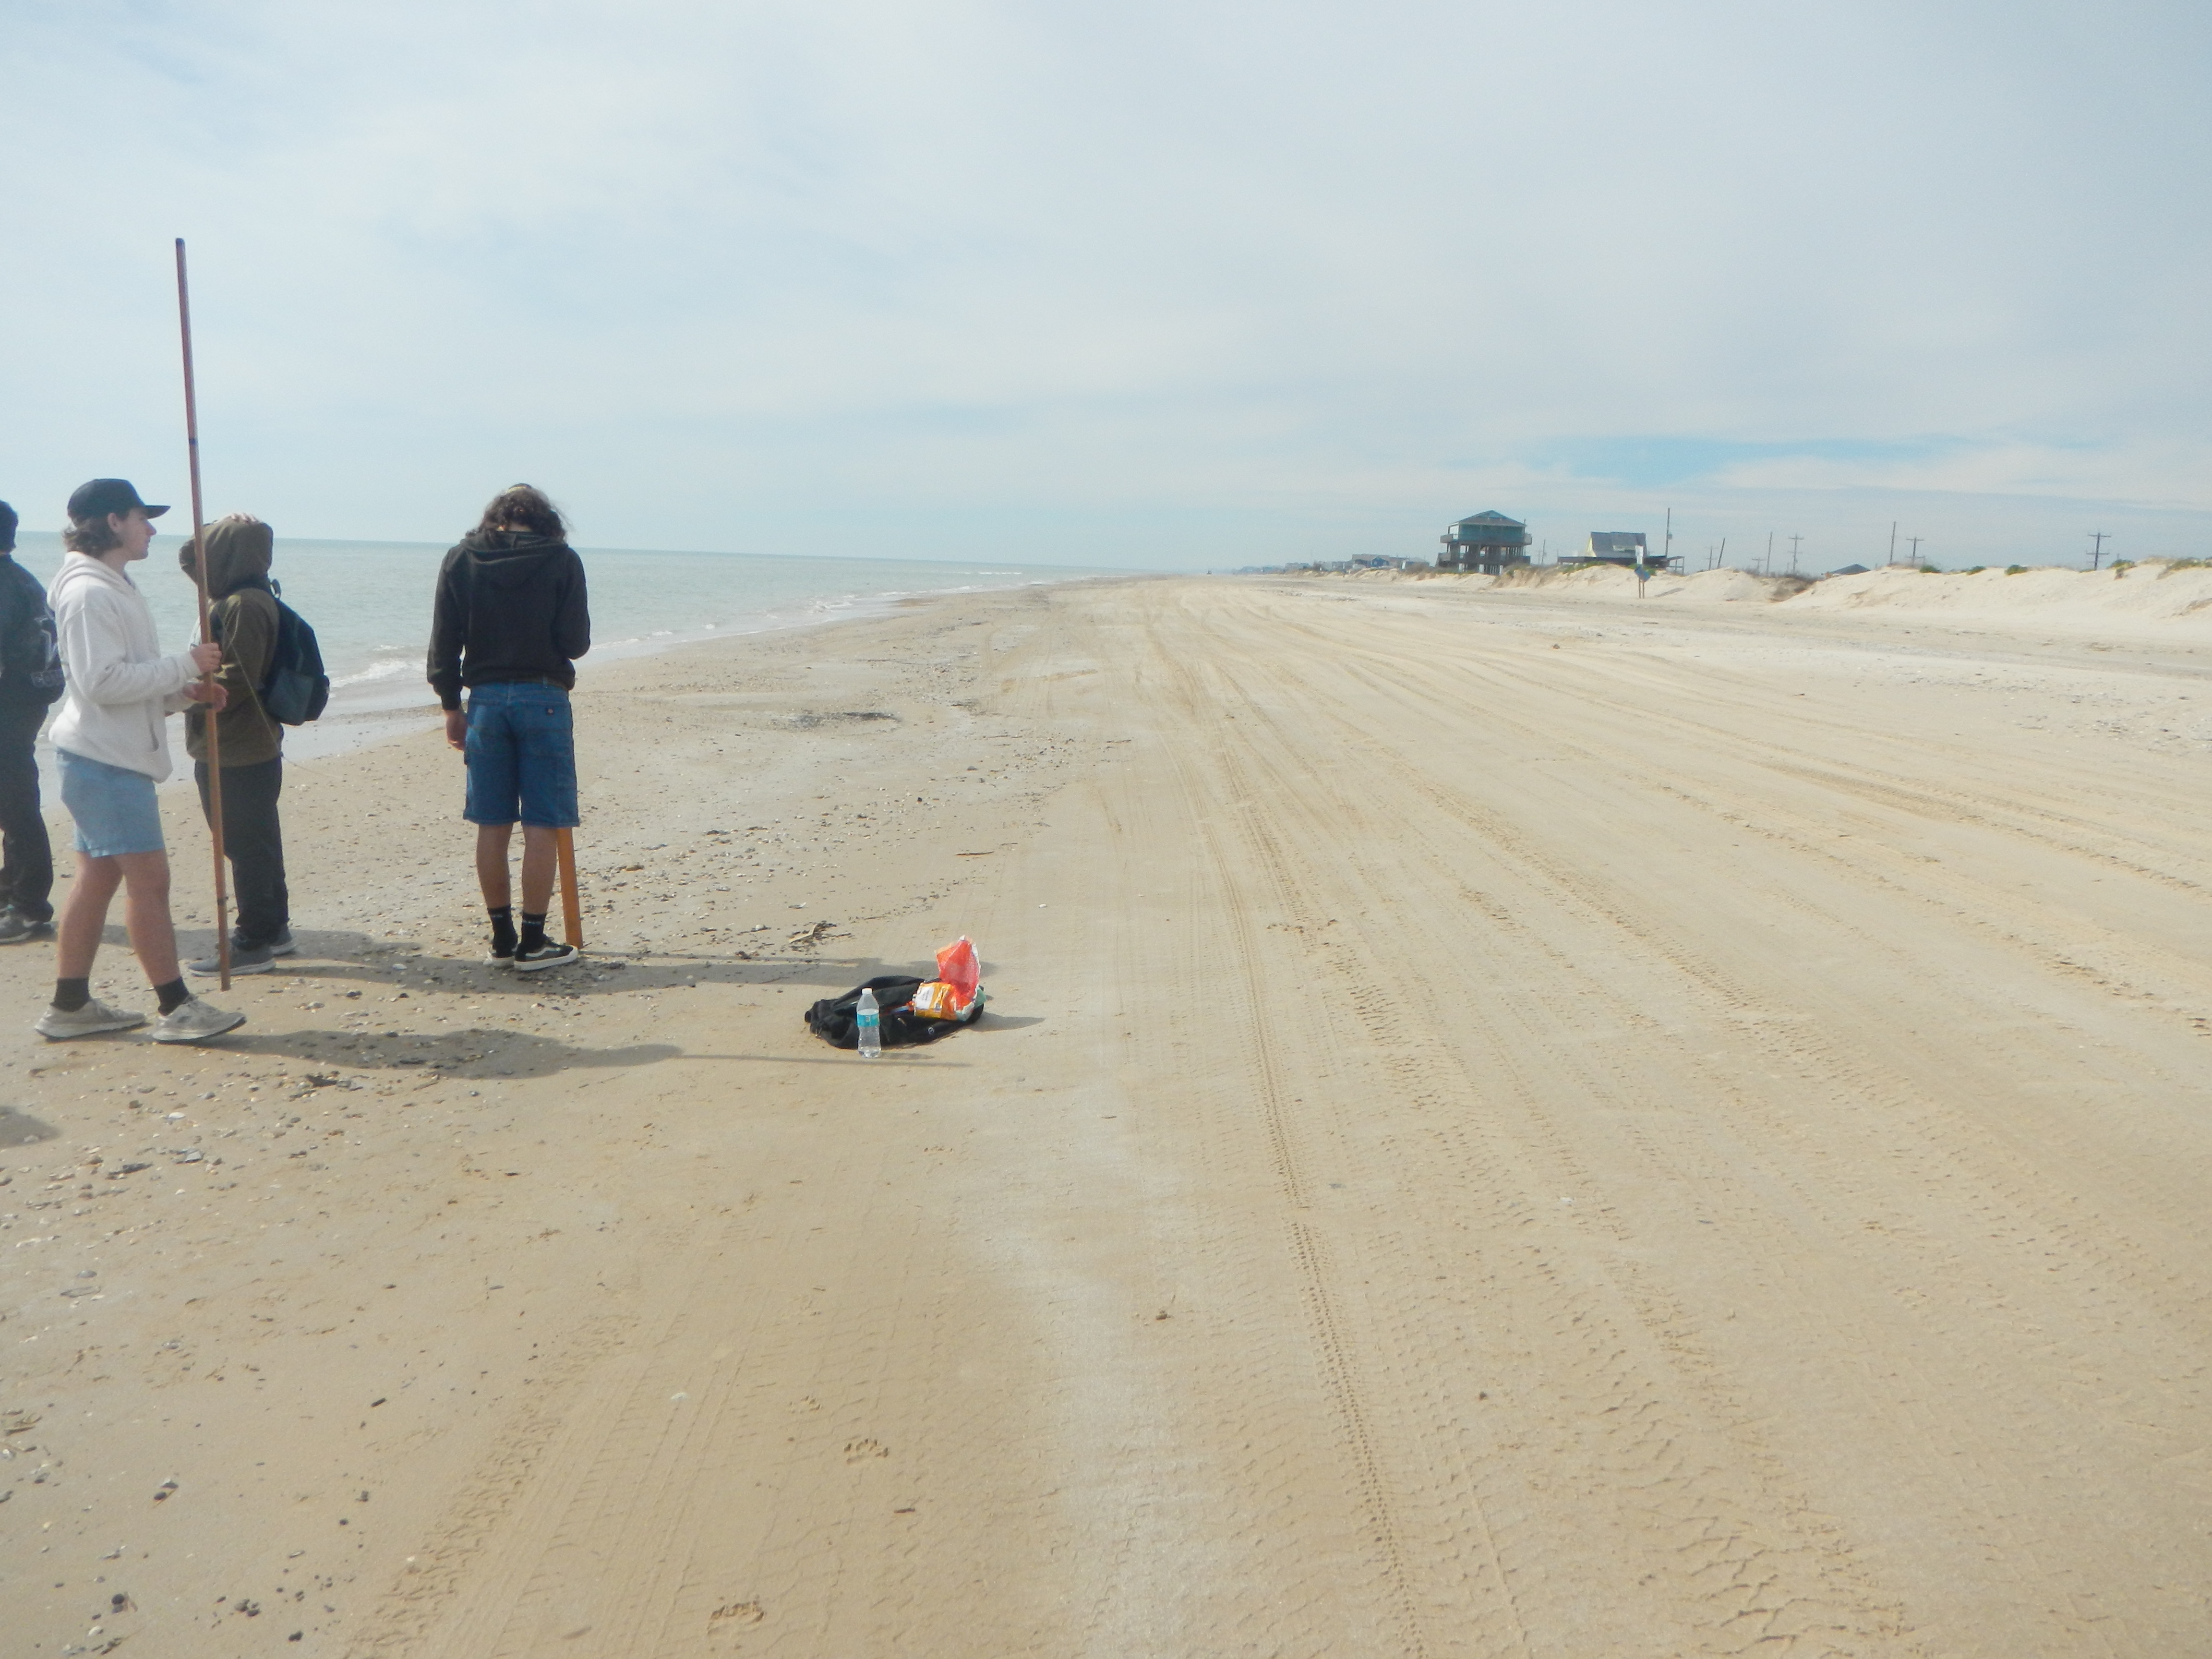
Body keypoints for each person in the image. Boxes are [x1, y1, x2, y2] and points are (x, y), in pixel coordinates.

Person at [36, 479, 244, 1043]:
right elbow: (100, 683)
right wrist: (185, 664)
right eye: (140, 517)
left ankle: (69, 1006)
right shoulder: (88, 593)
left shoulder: (113, 586)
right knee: (150, 882)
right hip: (102, 764)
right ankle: (175, 1007)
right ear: (111, 523)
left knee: (98, 879)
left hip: (104, 757)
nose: (150, 528)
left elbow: (126, 683)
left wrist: (185, 694)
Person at [427, 483, 589, 971]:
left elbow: (444, 640)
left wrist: (450, 705)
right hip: (542, 696)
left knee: (492, 822)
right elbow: (575, 641)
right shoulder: (561, 559)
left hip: (487, 701)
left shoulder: (462, 558)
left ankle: (502, 938)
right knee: (544, 820)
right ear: (544, 518)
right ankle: (534, 941)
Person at [179, 514, 293, 974]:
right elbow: (190, 560)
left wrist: (178, 695)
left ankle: (254, 940)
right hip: (240, 742)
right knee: (257, 841)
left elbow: (238, 678)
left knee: (244, 843)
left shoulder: (245, 603)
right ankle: (274, 928)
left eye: (215, 547)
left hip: (237, 744)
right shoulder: (246, 596)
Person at [0, 499, 64, 945]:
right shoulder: (20, 577)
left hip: (14, 699)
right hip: (32, 694)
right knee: (13, 795)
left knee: (16, 797)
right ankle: (14, 890)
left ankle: (28, 905)